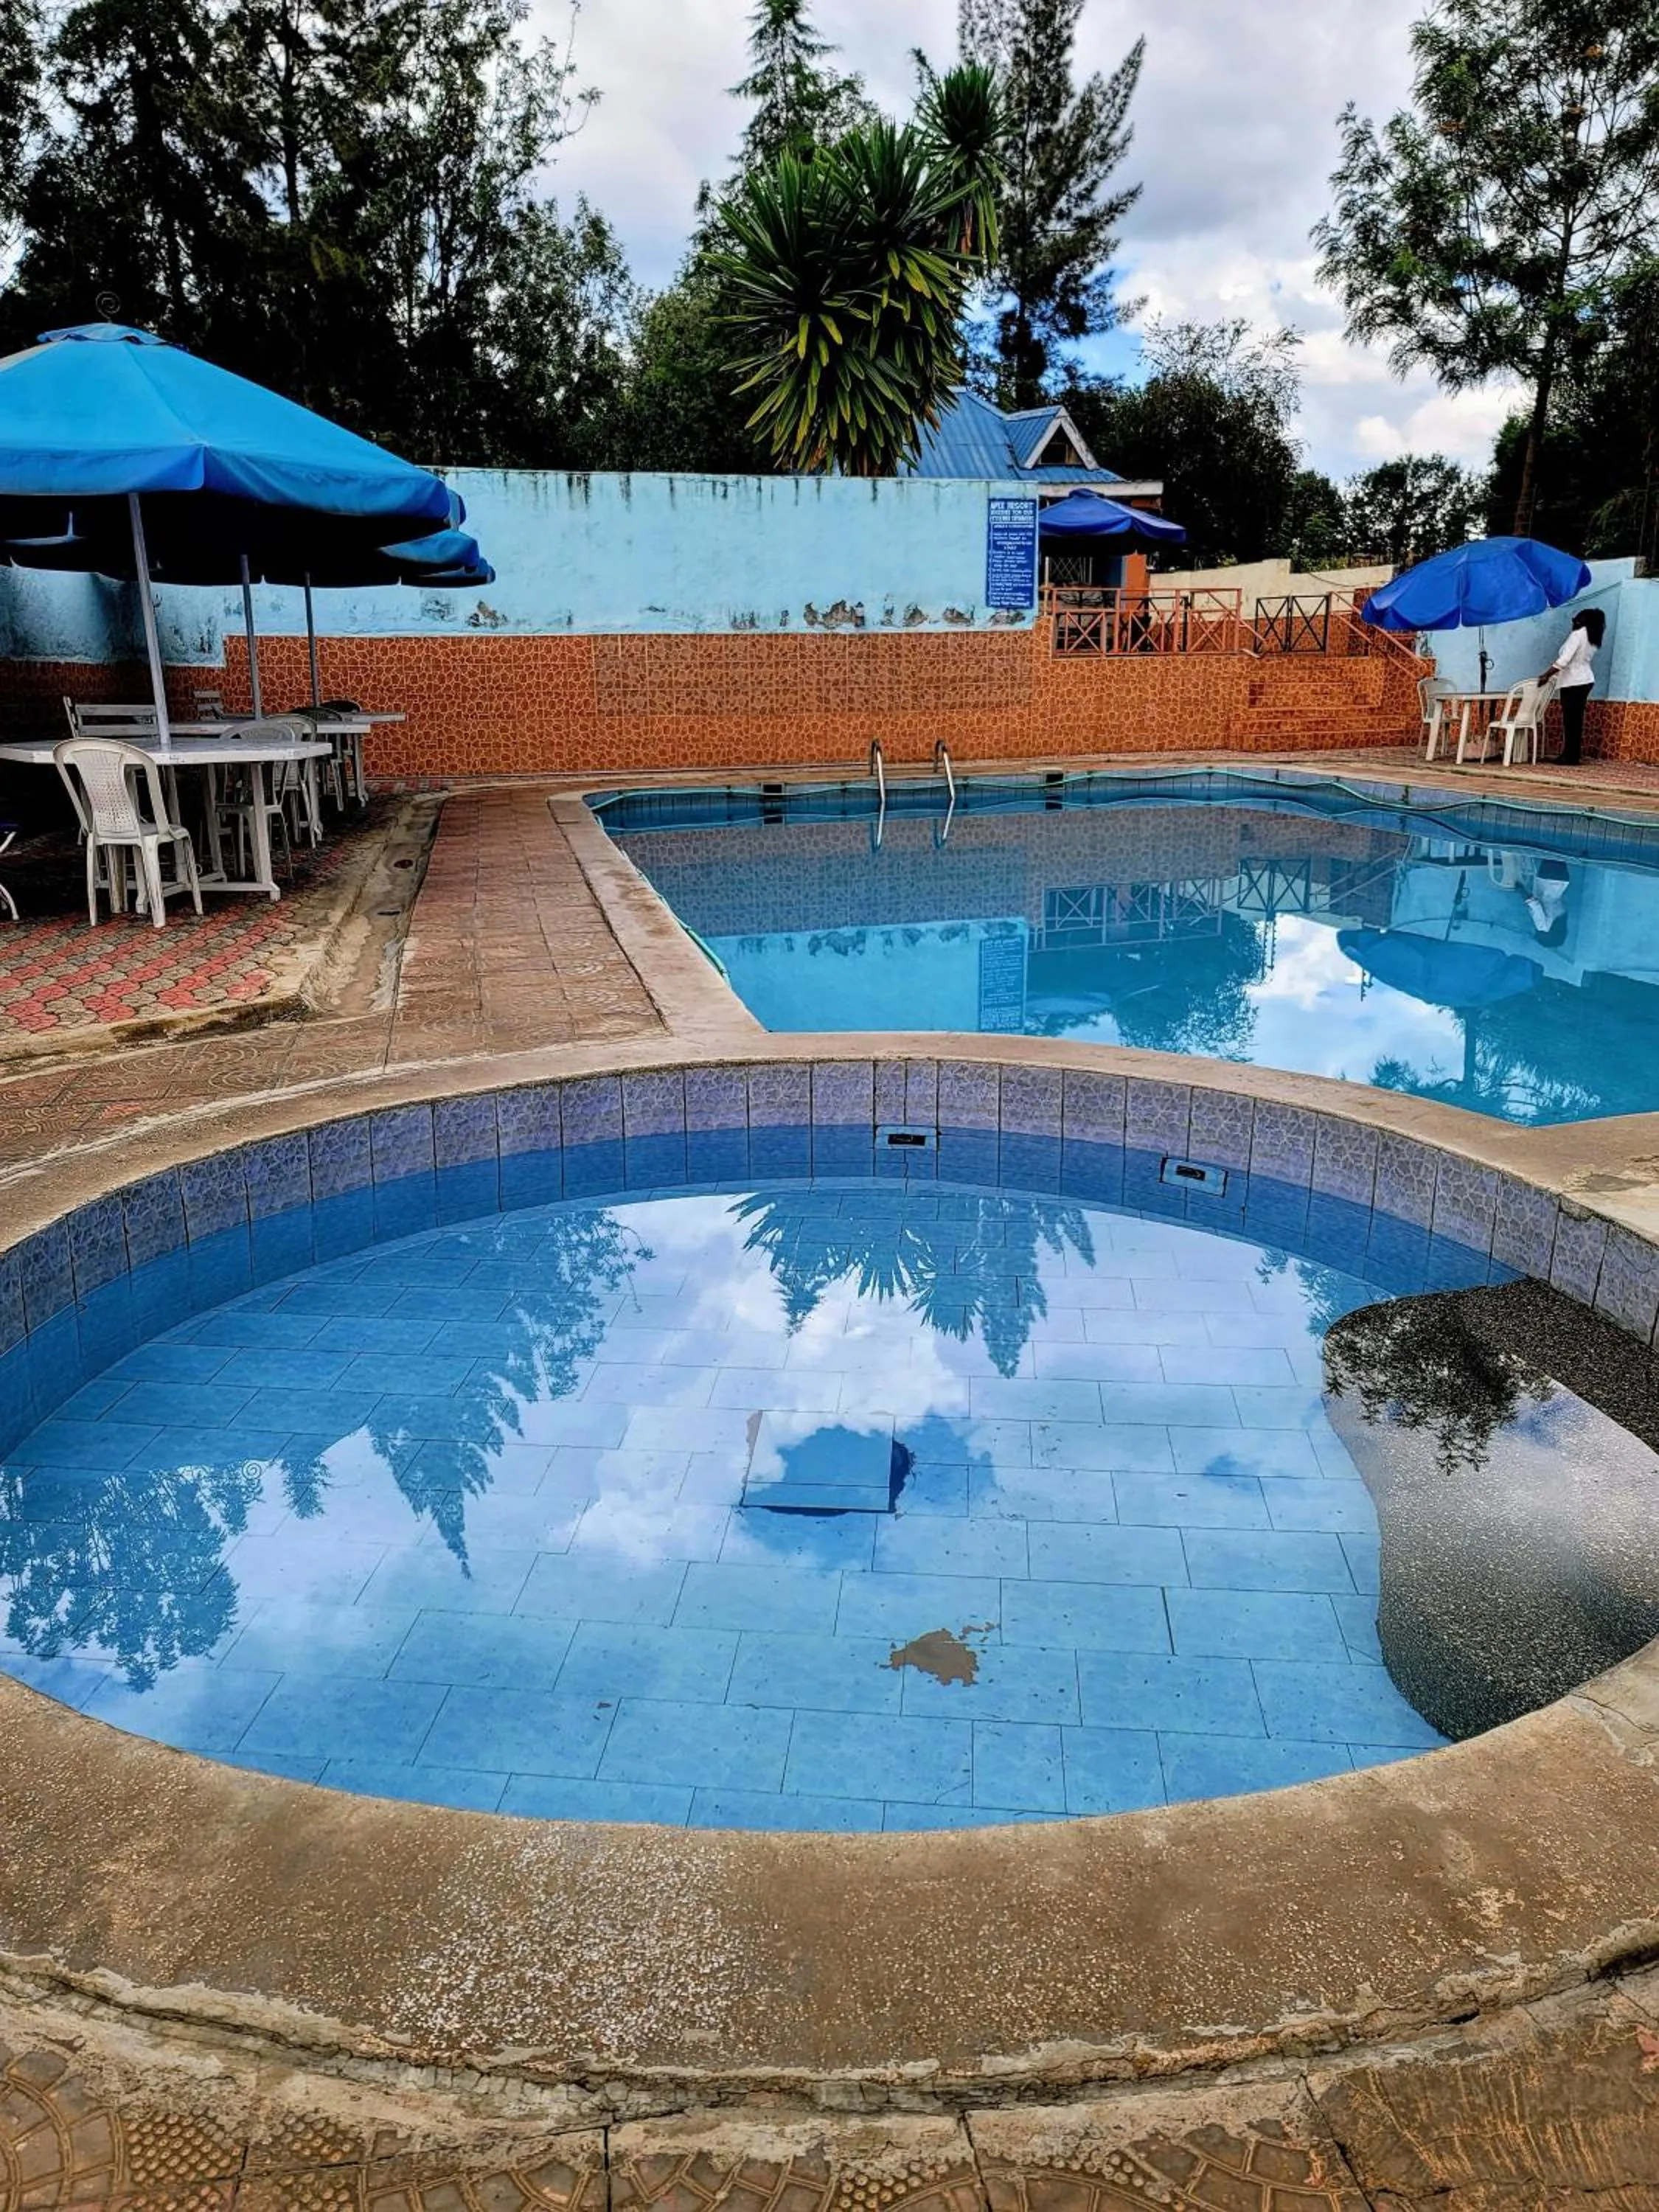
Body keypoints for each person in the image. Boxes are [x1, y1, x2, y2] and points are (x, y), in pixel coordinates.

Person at [1541, 607, 1607, 765]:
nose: (1573, 623)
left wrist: (1546, 675)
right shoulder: (1593, 636)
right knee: (1576, 721)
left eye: (1575, 620)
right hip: (1585, 680)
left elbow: (1564, 660)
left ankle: (1569, 756)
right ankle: (1572, 755)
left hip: (1573, 682)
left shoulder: (1577, 635)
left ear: (1580, 621)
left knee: (1570, 721)